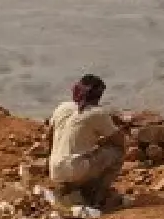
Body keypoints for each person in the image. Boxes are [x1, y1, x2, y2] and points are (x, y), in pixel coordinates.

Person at [47, 74, 131, 209]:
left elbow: (50, 136)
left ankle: (70, 188)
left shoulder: (62, 108)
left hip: (54, 170)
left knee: (80, 155)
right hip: (76, 170)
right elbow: (120, 142)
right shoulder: (97, 113)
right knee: (116, 152)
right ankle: (94, 196)